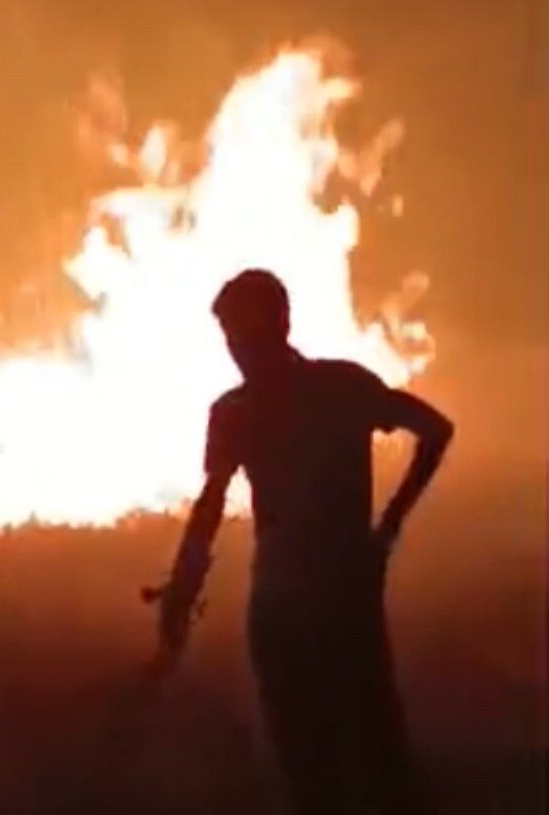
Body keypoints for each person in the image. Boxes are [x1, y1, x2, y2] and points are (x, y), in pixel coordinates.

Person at [158, 269, 453, 814]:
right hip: (292, 604)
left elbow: (437, 429)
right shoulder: (264, 404)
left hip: (325, 602)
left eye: (245, 337)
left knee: (367, 756)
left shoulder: (328, 389)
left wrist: (388, 527)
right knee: (324, 764)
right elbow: (211, 503)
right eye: (231, 339)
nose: (238, 352)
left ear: (282, 326)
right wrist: (182, 585)